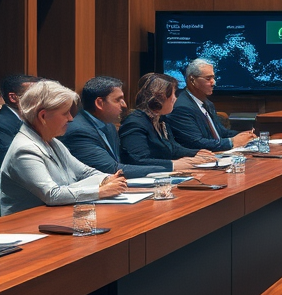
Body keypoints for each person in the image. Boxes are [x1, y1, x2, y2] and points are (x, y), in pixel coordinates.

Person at [1, 79, 128, 217]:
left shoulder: (52, 141)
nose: (71, 118)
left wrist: (108, 179)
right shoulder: (24, 150)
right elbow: (52, 194)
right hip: (25, 226)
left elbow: (84, 172)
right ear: (43, 116)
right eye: (65, 113)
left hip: (54, 218)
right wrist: (101, 191)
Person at [63, 75, 208, 176]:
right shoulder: (80, 131)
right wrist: (172, 167)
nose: (124, 105)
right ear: (100, 103)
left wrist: (194, 155)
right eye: (118, 100)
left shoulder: (108, 125)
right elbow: (112, 168)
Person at [119, 74, 216, 165]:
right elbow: (138, 160)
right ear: (160, 97)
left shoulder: (161, 118)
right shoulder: (134, 123)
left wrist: (196, 153)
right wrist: (176, 164)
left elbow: (172, 148)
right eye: (173, 94)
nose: (175, 98)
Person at [166, 60, 255, 151]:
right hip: (200, 158)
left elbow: (221, 133)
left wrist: (245, 136)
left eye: (213, 78)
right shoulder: (181, 107)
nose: (214, 83)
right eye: (208, 79)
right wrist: (231, 142)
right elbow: (195, 142)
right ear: (192, 80)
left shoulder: (207, 103)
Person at [0, 73, 41, 165]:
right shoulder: (2, 125)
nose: (41, 99)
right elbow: (14, 161)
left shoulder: (35, 120)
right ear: (13, 98)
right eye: (34, 95)